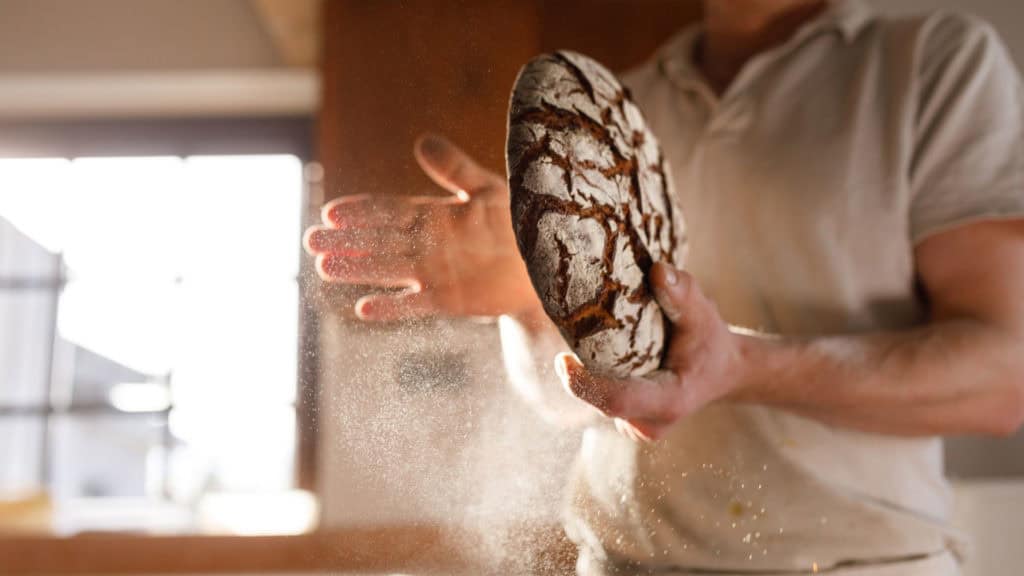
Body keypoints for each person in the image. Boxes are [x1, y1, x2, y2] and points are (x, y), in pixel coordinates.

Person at [304, 0, 1024, 574]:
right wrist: (530, 299)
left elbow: (1003, 380)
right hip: (618, 562)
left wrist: (740, 367)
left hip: (854, 566)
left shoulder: (930, 64)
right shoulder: (617, 108)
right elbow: (579, 403)